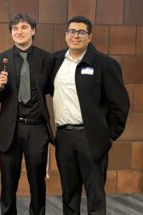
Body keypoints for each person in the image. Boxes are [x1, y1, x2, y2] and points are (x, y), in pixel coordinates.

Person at [51, 16, 130, 215]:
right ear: (66, 35)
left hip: (91, 138)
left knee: (95, 193)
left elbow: (120, 103)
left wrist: (108, 134)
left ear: (90, 37)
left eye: (81, 32)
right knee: (69, 193)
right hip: (64, 137)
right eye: (71, 31)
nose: (75, 36)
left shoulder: (104, 64)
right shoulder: (56, 61)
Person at [0, 13, 54, 215]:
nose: (19, 31)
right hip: (11, 128)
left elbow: (55, 89)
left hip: (37, 127)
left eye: (24, 27)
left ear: (33, 31)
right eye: (15, 28)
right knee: (8, 183)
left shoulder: (47, 59)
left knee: (37, 183)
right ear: (11, 33)